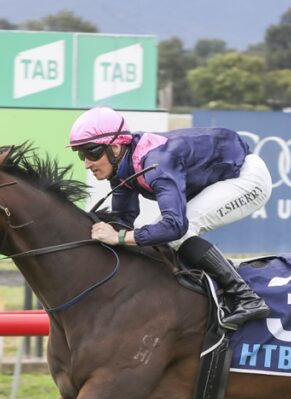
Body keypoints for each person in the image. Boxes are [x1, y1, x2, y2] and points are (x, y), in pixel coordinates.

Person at [68, 106, 273, 329]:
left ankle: (247, 298)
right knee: (159, 235)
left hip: (247, 179)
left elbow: (175, 226)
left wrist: (119, 237)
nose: (87, 163)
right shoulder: (121, 168)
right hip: (220, 175)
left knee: (177, 233)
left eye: (91, 152)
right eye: (81, 154)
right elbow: (123, 219)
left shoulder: (157, 164)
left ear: (115, 148)